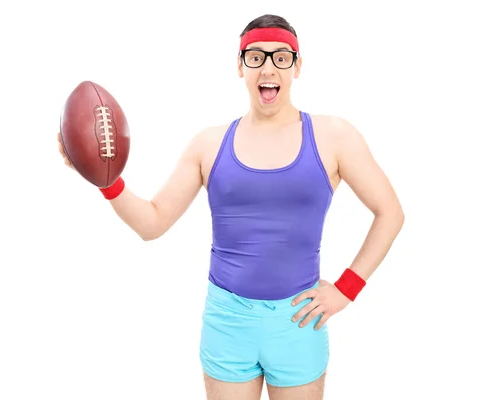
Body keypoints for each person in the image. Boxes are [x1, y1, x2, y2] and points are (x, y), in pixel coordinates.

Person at [57, 14, 404, 400]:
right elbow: (152, 223)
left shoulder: (333, 136)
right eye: (255, 57)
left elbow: (390, 212)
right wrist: (107, 182)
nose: (268, 67)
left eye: (281, 57)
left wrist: (345, 290)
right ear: (240, 66)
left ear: (298, 65)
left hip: (298, 321)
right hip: (228, 321)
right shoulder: (208, 144)